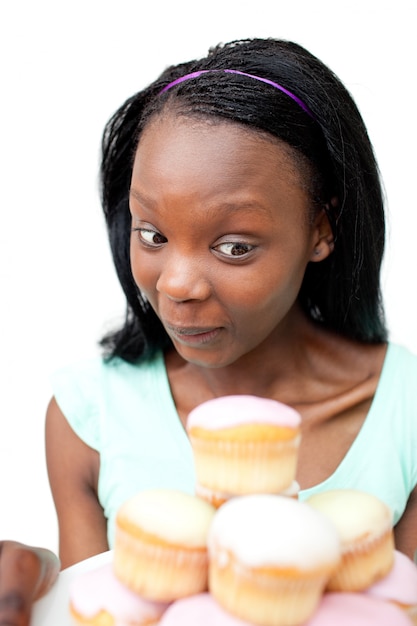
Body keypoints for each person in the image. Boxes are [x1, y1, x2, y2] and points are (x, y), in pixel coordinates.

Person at [2, 37, 417, 622]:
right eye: (152, 234)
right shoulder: (87, 417)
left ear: (322, 230)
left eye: (234, 246)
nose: (177, 285)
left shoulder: (405, 411)